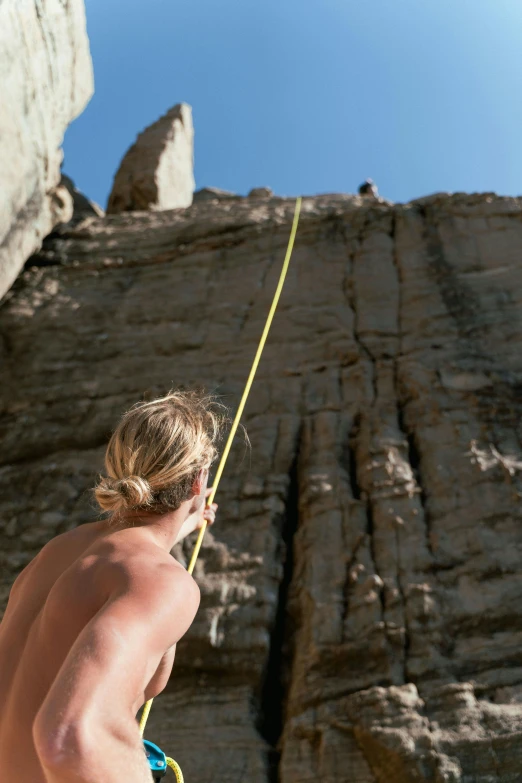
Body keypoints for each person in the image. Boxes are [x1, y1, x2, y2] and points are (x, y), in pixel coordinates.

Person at [0, 390, 223, 782]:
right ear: (198, 481)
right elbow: (70, 740)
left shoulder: (56, 552)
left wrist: (184, 525)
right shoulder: (163, 583)